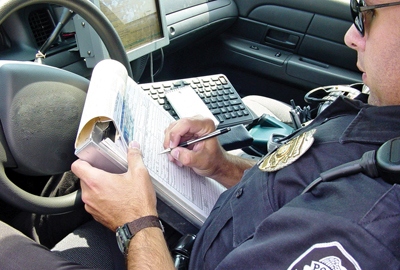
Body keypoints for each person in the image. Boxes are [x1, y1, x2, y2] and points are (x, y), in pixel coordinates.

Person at [1, 0, 400, 269]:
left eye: (365, 15)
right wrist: (222, 166)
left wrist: (135, 223)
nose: (351, 36)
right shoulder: (381, 124)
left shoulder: (362, 231)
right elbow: (298, 189)